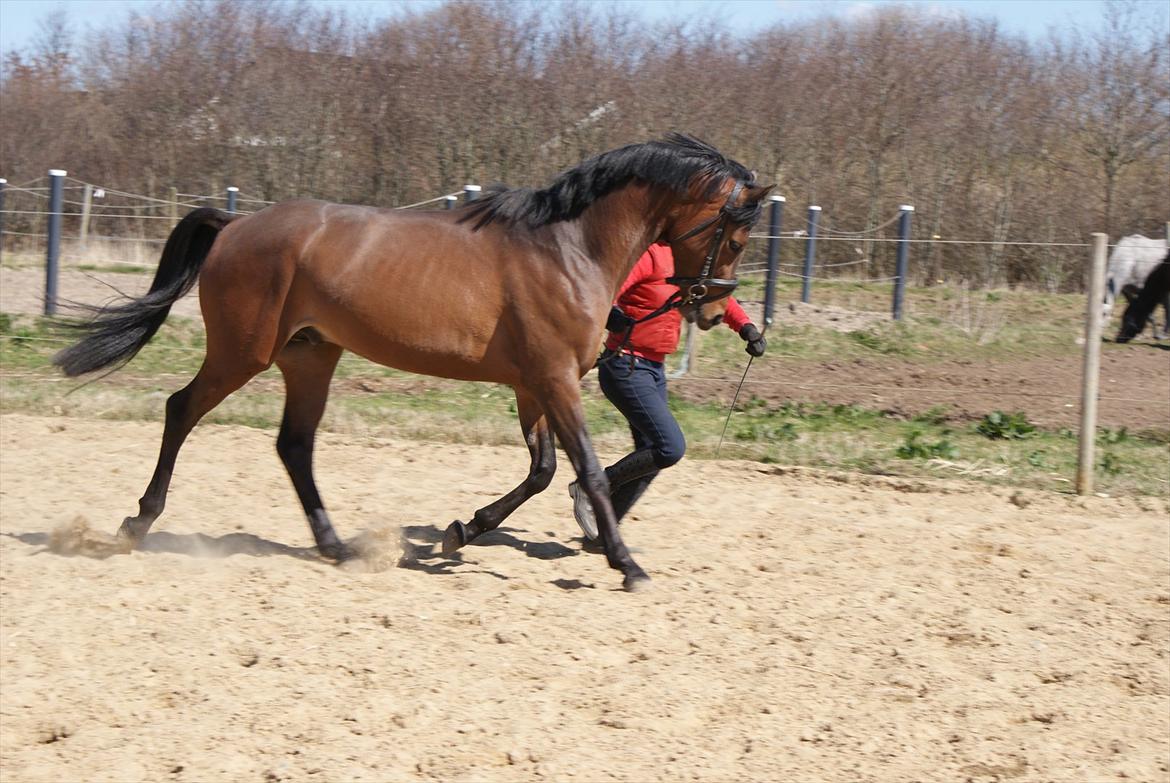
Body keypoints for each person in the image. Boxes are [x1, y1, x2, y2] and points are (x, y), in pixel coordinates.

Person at [568, 241, 766, 541]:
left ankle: (603, 536)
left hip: (654, 370)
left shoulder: (688, 258)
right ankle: (592, 485)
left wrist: (745, 327)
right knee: (670, 447)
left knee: (650, 458)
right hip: (625, 366)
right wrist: (611, 313)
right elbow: (607, 289)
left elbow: (710, 294)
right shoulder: (651, 255)